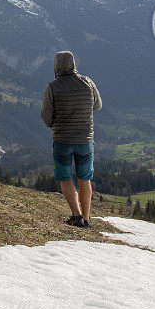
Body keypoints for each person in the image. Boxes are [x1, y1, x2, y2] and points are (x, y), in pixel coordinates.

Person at [41, 50, 102, 228]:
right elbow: (98, 105)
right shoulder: (87, 82)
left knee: (65, 177)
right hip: (85, 139)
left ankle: (76, 216)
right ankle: (87, 217)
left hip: (62, 139)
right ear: (74, 64)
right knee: (85, 178)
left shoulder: (52, 87)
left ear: (56, 66)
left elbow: (47, 118)